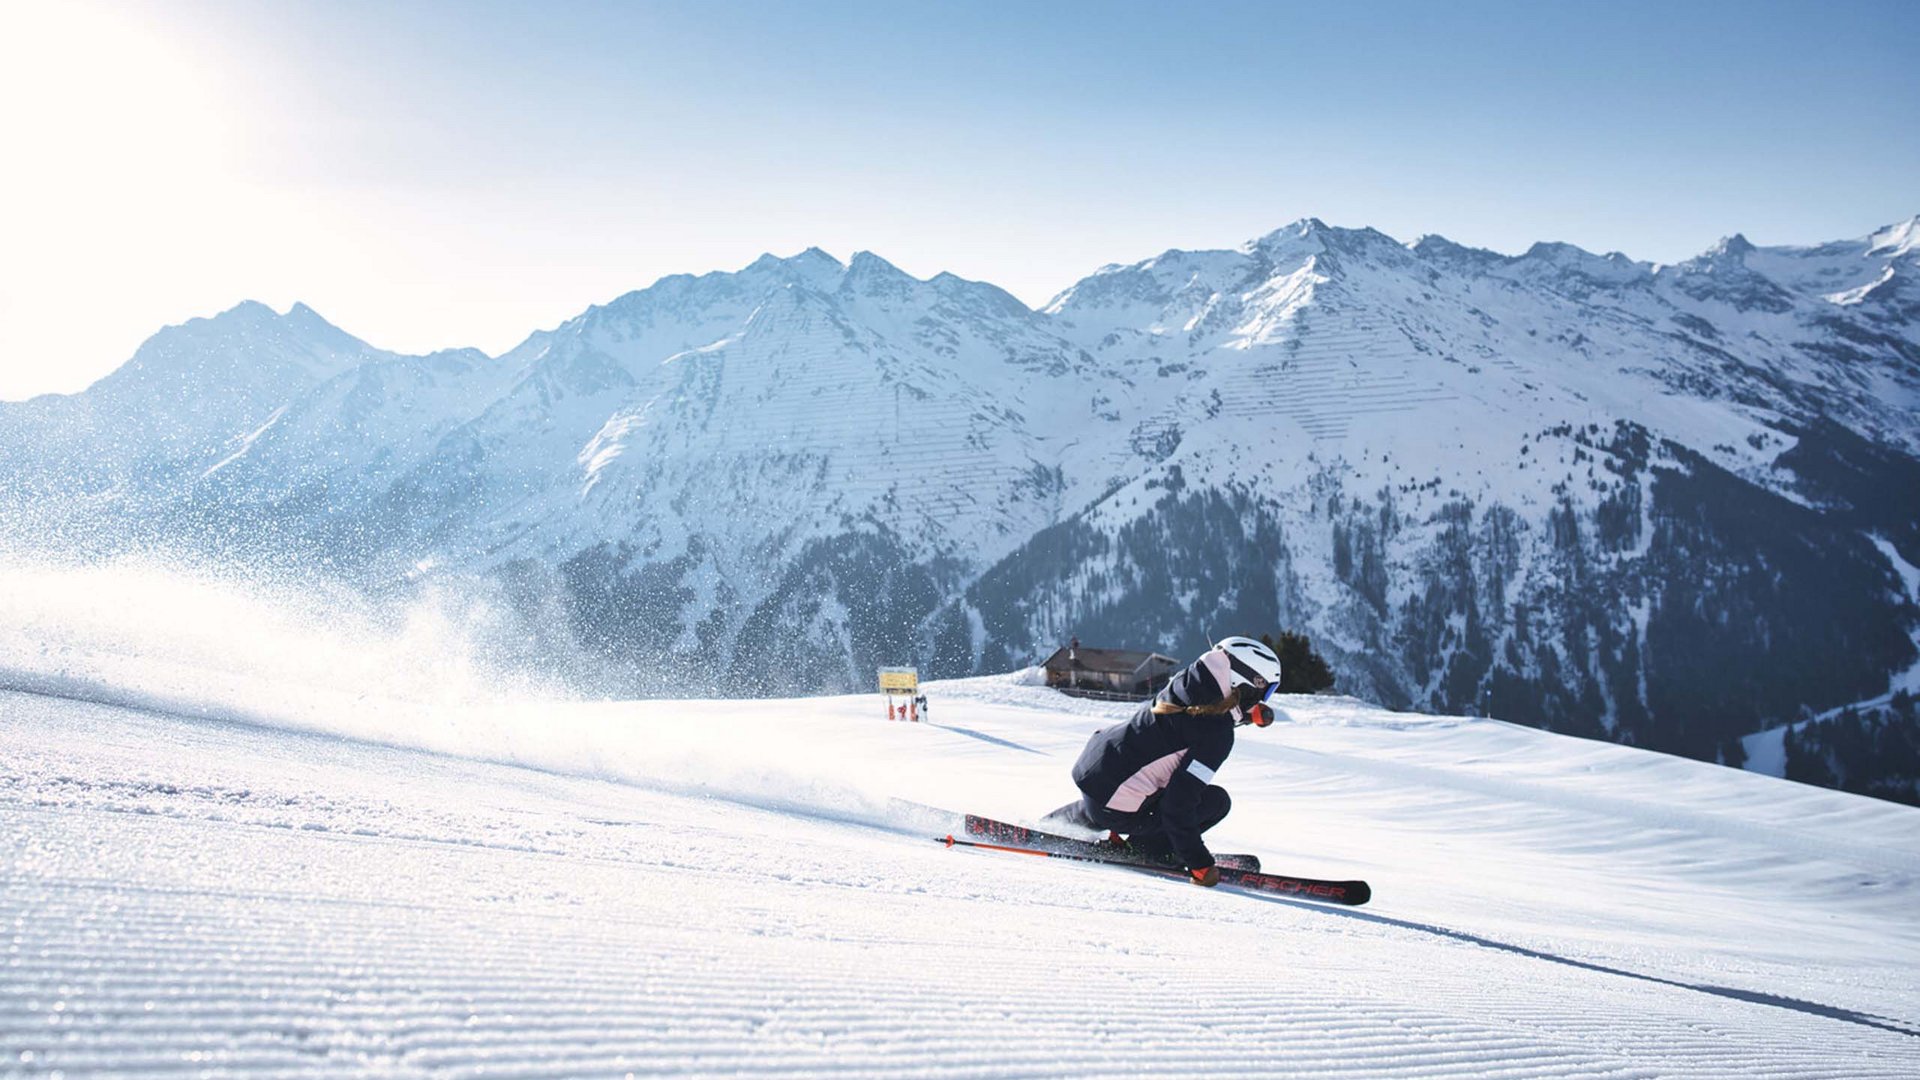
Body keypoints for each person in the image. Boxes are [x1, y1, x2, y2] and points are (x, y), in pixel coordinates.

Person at [1045, 637, 1287, 886]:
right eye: (1265, 692)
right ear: (1247, 682)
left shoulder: (1189, 683)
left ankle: (1050, 826)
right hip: (1116, 805)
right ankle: (1150, 851)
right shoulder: (1217, 735)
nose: (1263, 700)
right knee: (1216, 802)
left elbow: (1200, 719)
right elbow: (1179, 804)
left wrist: (1245, 712)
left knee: (1117, 797)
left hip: (1098, 774)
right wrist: (1199, 864)